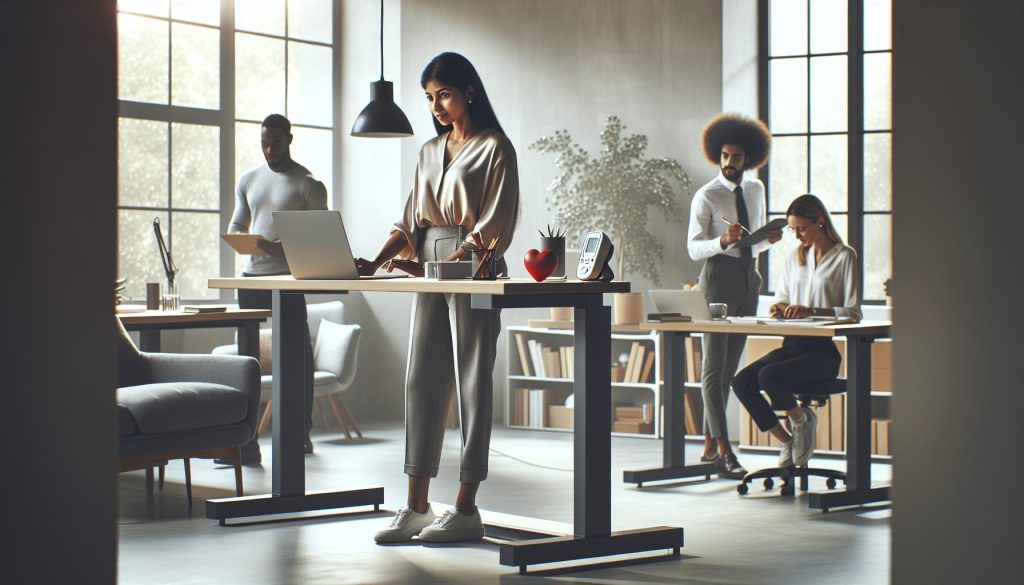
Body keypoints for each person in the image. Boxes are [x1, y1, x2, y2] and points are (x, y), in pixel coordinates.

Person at [356, 52, 519, 544]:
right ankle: (416, 506)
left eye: (443, 94)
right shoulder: (429, 150)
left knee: (472, 384)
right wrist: (373, 260)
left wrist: (446, 263)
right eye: (429, 98)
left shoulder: (496, 148)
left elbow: (494, 225)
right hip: (430, 264)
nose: (436, 106)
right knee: (421, 380)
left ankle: (467, 508)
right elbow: (409, 223)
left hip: (475, 266)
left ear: (469, 90)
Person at [222, 113, 328, 465]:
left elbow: (316, 239)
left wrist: (274, 247)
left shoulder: (308, 185)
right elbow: (238, 221)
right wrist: (241, 237)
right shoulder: (249, 178)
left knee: (296, 357)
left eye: (277, 143)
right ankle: (245, 442)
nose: (270, 150)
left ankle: (299, 435)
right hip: (251, 278)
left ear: (290, 140)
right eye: (265, 144)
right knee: (246, 361)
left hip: (289, 279)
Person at [732, 194, 862, 468]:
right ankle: (788, 438)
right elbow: (782, 297)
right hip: (792, 345)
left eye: (801, 228)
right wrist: (780, 307)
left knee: (770, 376)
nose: (797, 235)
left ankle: (801, 422)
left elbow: (852, 312)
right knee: (742, 381)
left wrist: (812, 311)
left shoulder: (845, 257)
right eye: (793, 229)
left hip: (822, 354)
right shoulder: (794, 258)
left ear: (820, 222)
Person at [687, 113, 781, 480]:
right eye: (724, 156)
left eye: (736, 157)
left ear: (749, 158)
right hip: (717, 279)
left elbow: (753, 241)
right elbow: (693, 249)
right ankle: (724, 448)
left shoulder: (755, 190)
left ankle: (710, 445)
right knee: (713, 367)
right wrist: (721, 241)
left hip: (749, 279)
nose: (728, 163)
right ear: (717, 155)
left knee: (729, 368)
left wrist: (767, 240)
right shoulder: (706, 195)